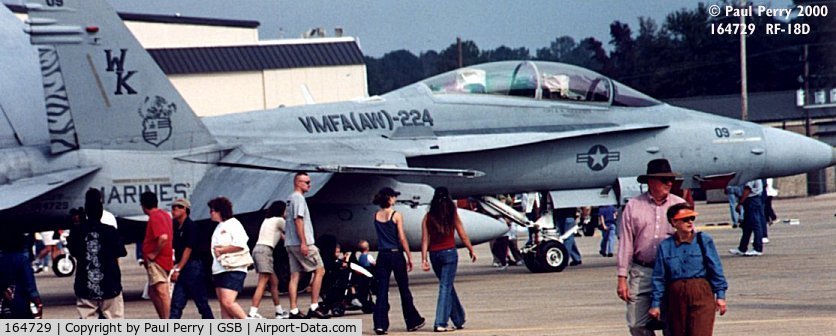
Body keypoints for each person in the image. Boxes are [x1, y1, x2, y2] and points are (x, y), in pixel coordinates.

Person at [616, 158, 686, 336]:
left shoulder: (679, 205)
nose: (669, 183)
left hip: (671, 272)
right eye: (664, 179)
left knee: (673, 324)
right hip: (642, 271)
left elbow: (688, 242)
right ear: (650, 181)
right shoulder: (633, 206)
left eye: (671, 180)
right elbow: (626, 243)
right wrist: (622, 277)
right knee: (636, 323)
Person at [649, 203, 728, 336]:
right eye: (685, 219)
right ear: (673, 222)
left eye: (692, 219)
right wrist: (655, 304)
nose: (690, 222)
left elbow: (716, 268)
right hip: (675, 296)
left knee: (700, 332)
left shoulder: (704, 240)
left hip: (701, 292)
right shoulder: (665, 246)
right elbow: (659, 277)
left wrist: (720, 296)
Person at [421, 187, 477, 333]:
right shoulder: (452, 214)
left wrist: (424, 258)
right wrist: (470, 249)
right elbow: (462, 233)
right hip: (449, 253)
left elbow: (425, 239)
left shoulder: (428, 217)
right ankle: (440, 322)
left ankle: (459, 319)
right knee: (445, 287)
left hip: (435, 254)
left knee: (447, 286)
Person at [371, 187, 425, 335]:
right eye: (394, 196)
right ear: (389, 198)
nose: (395, 199)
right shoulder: (396, 215)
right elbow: (401, 237)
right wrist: (409, 256)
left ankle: (380, 324)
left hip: (382, 255)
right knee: (403, 288)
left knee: (382, 290)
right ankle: (412, 320)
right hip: (395, 254)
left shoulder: (376, 215)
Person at [69, 188, 127, 319]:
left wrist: (76, 225)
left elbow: (73, 251)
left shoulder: (78, 232)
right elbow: (121, 252)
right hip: (110, 285)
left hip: (86, 286)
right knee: (115, 318)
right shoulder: (110, 231)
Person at [285, 172, 330, 319]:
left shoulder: (290, 199)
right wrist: (304, 243)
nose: (309, 185)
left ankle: (293, 310)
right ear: (298, 183)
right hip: (301, 243)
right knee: (320, 270)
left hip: (290, 243)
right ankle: (314, 306)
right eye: (306, 182)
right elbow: (299, 220)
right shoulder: (298, 199)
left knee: (295, 276)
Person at [169, 198, 214, 319]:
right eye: (173, 208)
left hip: (193, 268)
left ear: (185, 209)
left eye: (177, 207)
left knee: (201, 303)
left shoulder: (191, 226)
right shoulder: (176, 227)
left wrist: (178, 269)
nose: (174, 210)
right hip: (183, 267)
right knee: (176, 304)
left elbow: (188, 249)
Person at [209, 196, 250, 319]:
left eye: (213, 210)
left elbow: (240, 244)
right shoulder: (219, 227)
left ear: (220, 211)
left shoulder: (233, 224)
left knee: (228, 302)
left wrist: (222, 250)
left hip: (233, 268)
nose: (210, 213)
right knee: (224, 305)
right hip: (220, 269)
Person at [248, 201, 289, 319]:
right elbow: (290, 233)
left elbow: (283, 237)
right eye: (285, 210)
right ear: (281, 211)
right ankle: (252, 313)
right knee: (262, 282)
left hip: (259, 250)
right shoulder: (279, 221)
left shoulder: (268, 221)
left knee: (274, 282)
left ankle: (279, 311)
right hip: (265, 251)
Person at [140, 191, 173, 319]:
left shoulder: (154, 217)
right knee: (153, 292)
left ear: (143, 205)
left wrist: (153, 253)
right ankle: (164, 318)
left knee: (162, 291)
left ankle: (168, 320)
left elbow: (163, 237)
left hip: (158, 261)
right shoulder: (165, 215)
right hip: (162, 259)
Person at [0, 226, 42, 319]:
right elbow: (29, 283)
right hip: (19, 302)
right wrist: (37, 301)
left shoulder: (2, 259)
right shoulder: (22, 259)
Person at [729, 179, 766, 257]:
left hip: (752, 200)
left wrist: (740, 203)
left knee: (756, 225)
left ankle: (758, 248)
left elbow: (747, 189)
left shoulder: (751, 177)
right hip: (752, 200)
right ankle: (742, 248)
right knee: (747, 226)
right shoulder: (756, 176)